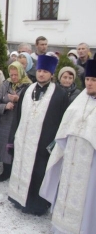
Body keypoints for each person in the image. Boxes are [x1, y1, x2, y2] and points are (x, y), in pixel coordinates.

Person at [7, 55, 69, 216]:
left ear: (52, 74)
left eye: (45, 72)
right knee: (20, 168)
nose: (41, 74)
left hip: (43, 144)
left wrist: (54, 144)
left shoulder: (60, 95)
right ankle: (18, 198)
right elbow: (18, 116)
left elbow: (63, 122)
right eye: (40, 70)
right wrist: (12, 139)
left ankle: (36, 206)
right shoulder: (27, 90)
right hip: (23, 140)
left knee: (39, 173)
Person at [39, 59, 96, 234]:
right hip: (71, 157)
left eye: (94, 80)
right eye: (87, 79)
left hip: (91, 163)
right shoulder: (80, 99)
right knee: (66, 192)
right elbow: (66, 126)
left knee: (87, 200)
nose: (89, 83)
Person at [0, 61, 32, 182]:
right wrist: (5, 106)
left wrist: (18, 100)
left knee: (19, 146)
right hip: (6, 121)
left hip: (21, 122)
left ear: (21, 73)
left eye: (16, 75)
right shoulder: (6, 84)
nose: (14, 77)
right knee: (5, 146)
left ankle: (18, 171)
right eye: (12, 74)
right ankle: (6, 170)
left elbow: (33, 105)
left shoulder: (29, 86)